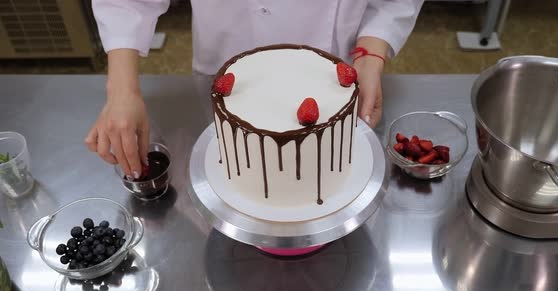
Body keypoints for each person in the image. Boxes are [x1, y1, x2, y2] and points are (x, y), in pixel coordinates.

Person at [86, 0, 424, 179]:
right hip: (230, 62)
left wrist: (371, 51)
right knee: (241, 171)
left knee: (326, 172)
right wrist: (121, 91)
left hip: (337, 69)